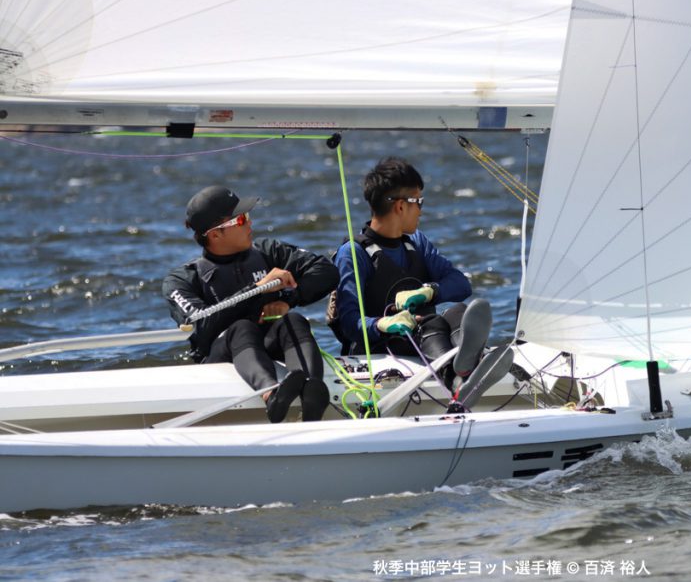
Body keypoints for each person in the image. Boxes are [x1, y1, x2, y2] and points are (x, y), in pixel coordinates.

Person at [162, 185, 340, 423]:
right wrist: (259, 289)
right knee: (242, 328)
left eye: (247, 216)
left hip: (268, 344)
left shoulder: (268, 252)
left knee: (293, 320)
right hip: (220, 355)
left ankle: (311, 391)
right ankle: (271, 396)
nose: (249, 223)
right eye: (241, 219)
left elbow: (327, 271)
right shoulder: (181, 280)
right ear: (215, 235)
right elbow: (201, 324)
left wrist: (288, 300)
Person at [326, 157, 491, 391]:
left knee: (459, 312)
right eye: (419, 202)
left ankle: (466, 366)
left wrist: (429, 292)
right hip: (382, 348)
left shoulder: (417, 242)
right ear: (401, 206)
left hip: (425, 339)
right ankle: (455, 378)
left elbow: (461, 284)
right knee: (431, 324)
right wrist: (383, 323)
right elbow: (350, 323)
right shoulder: (353, 254)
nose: (421, 211)